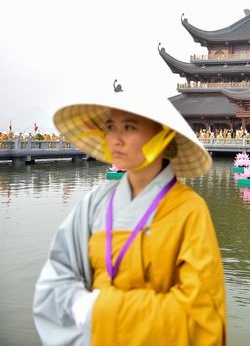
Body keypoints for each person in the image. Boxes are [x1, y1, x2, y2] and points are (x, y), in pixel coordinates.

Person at [33, 89, 226, 345]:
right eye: (110, 127)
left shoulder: (190, 210)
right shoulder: (95, 203)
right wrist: (79, 306)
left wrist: (98, 309)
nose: (115, 139)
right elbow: (55, 279)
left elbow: (201, 313)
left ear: (163, 136)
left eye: (129, 127)